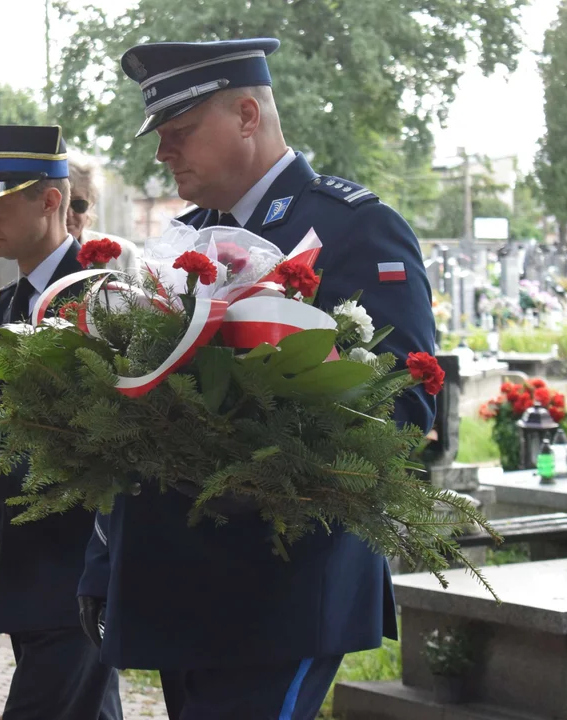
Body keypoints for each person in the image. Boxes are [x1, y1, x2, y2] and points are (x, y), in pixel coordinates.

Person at [77, 39, 437, 720]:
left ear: (247, 114)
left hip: (287, 587)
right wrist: (105, 563)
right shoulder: (178, 247)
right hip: (182, 579)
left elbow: (405, 410)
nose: (162, 153)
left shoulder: (354, 229)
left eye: (179, 132)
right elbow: (133, 418)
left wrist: (268, 470)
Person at [0, 124, 122, 720]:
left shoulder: (103, 301)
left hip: (82, 566)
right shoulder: (6, 305)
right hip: (32, 567)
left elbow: (112, 450)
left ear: (51, 200)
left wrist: (21, 478)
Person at [0, 154, 141, 328]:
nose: (67, 214)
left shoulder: (106, 291)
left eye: (78, 205)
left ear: (49, 202)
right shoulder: (2, 297)